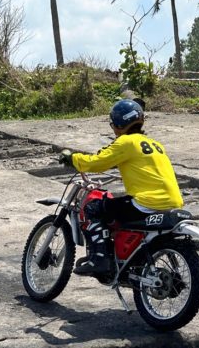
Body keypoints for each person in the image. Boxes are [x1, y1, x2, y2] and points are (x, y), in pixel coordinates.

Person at [59, 99, 184, 277]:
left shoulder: (125, 142)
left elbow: (97, 162)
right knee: (117, 207)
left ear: (118, 124)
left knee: (93, 208)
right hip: (173, 202)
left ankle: (99, 260)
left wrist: (73, 158)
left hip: (147, 203)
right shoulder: (155, 144)